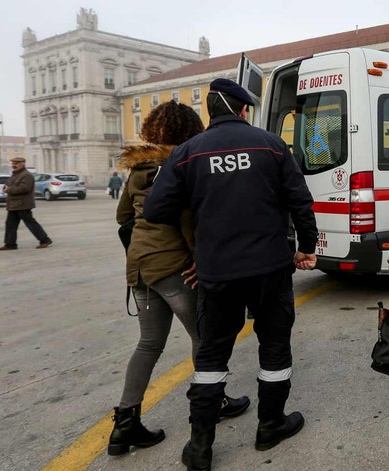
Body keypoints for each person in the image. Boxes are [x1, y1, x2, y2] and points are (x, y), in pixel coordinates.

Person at [142, 78, 318, 471]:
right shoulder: (270, 144)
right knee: (274, 345)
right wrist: (307, 247)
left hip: (217, 271)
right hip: (270, 268)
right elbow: (299, 201)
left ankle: (200, 448)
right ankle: (270, 426)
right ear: (242, 110)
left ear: (211, 112)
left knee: (211, 354)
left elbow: (155, 210)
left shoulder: (187, 153)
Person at [107, 101, 250, 456]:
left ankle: (125, 424)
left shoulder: (137, 167)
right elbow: (189, 218)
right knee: (204, 335)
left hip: (139, 267)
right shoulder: (181, 163)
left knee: (149, 344)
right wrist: (200, 259)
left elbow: (123, 215)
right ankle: (211, 402)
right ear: (190, 131)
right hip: (173, 266)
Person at [0, 156, 52, 251]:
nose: (14, 165)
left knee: (30, 223)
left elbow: (24, 188)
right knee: (10, 224)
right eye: (13, 163)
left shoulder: (26, 175)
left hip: (22, 204)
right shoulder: (15, 174)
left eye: (16, 163)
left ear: (23, 164)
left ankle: (45, 240)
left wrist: (9, 189)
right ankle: (10, 244)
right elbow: (9, 186)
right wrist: (6, 188)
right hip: (13, 205)